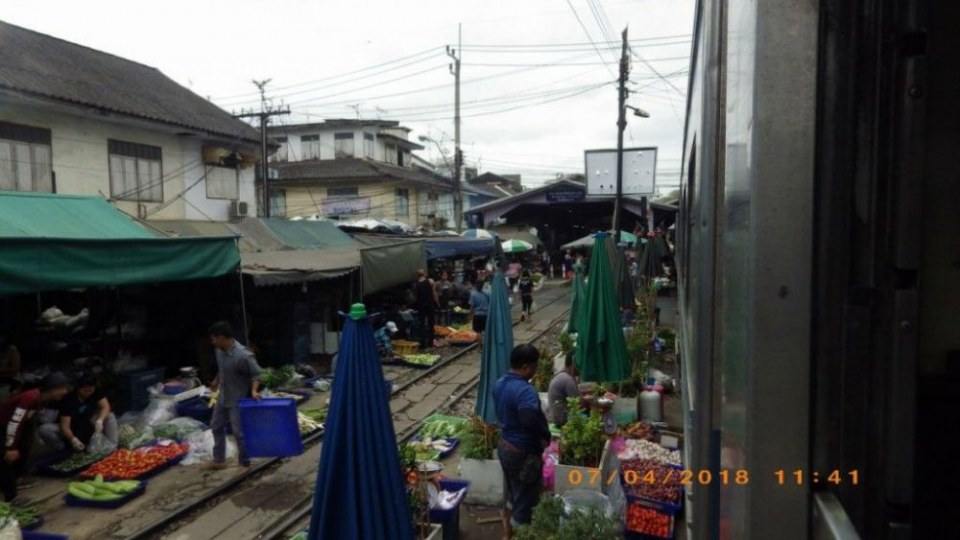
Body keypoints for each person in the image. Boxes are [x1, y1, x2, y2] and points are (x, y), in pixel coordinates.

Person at [494, 344, 550, 536]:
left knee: (513, 490)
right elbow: (528, 418)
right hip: (522, 451)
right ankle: (520, 532)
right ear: (526, 366)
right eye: (535, 366)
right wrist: (544, 435)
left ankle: (507, 532)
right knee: (526, 499)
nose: (536, 370)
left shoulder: (500, 383)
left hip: (505, 445)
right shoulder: (525, 391)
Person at [0, 373, 69, 501]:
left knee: (23, 448)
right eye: (62, 388)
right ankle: (11, 497)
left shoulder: (42, 398)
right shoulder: (30, 397)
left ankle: (16, 479)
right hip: (4, 425)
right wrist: (10, 447)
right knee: (5, 458)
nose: (65, 392)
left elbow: (27, 420)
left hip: (14, 426)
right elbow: (15, 423)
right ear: (52, 388)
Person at [207, 321, 262, 469]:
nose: (212, 342)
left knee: (239, 433)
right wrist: (215, 381)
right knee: (216, 426)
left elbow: (257, 374)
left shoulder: (243, 355)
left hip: (238, 399)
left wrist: (254, 391)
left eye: (214, 338)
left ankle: (244, 462)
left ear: (222, 338)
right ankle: (219, 459)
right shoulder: (219, 350)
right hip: (223, 396)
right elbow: (222, 369)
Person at [38, 374, 117, 453]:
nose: (88, 392)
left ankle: (112, 446)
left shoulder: (95, 391)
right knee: (44, 429)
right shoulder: (69, 399)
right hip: (72, 424)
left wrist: (100, 420)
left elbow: (105, 407)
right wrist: (73, 439)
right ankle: (63, 449)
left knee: (110, 416)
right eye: (85, 389)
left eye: (90, 389)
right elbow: (65, 426)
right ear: (78, 388)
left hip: (89, 420)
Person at [547, 353, 580, 427]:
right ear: (573, 364)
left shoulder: (560, 375)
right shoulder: (567, 379)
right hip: (561, 420)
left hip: (554, 417)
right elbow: (577, 402)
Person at [414, 270, 439, 349]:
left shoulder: (416, 284)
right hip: (430, 305)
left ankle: (423, 344)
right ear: (424, 274)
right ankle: (431, 342)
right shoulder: (430, 281)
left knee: (422, 325)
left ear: (417, 275)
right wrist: (437, 303)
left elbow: (416, 297)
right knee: (431, 323)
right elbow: (434, 293)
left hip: (421, 306)